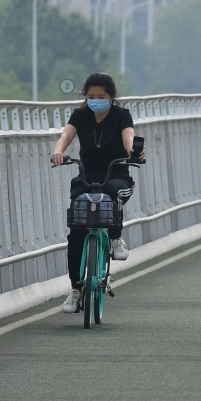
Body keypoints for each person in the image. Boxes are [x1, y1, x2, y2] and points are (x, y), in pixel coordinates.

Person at [49, 72, 141, 314]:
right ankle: (76, 289)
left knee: (113, 194)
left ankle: (115, 236)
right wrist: (58, 151)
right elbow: (66, 136)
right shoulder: (80, 115)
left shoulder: (121, 115)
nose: (96, 100)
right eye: (91, 96)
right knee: (77, 229)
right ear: (85, 97)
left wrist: (133, 151)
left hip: (116, 174)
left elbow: (128, 137)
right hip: (87, 175)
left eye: (101, 96)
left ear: (111, 97)